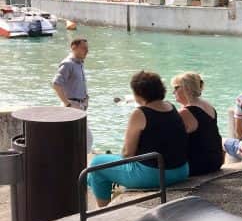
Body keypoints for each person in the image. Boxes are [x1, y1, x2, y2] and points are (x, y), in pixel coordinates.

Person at [88, 70, 189, 206]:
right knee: (101, 168)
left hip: (155, 175)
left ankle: (103, 210)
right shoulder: (171, 107)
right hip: (181, 170)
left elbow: (127, 153)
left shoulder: (140, 114)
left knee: (96, 165)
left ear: (138, 94)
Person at [172, 71, 224, 176]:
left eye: (176, 88)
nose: (173, 92)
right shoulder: (208, 105)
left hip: (198, 165)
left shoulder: (186, 112)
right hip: (216, 161)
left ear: (186, 88)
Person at [52, 38, 89, 110]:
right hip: (72, 106)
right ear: (74, 48)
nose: (87, 51)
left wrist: (86, 99)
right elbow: (56, 84)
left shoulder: (79, 63)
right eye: (84, 48)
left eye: (87, 48)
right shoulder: (68, 64)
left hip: (81, 105)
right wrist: (67, 104)